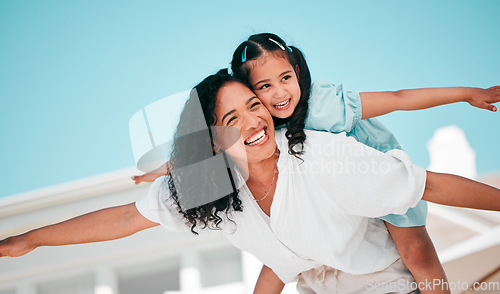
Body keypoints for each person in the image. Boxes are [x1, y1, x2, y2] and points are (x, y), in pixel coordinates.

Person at [2, 70, 500, 294]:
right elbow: (125, 219)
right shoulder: (212, 189)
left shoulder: (318, 154)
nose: (253, 121)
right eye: (232, 116)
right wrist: (30, 239)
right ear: (213, 137)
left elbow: (428, 185)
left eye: (254, 106)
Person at [132, 33, 500, 293]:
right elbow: (213, 144)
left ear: (297, 71)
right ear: (249, 93)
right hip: (328, 200)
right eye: (263, 88)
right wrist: (168, 169)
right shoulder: (259, 125)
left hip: (375, 173)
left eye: (286, 78)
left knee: (416, 251)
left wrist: (467, 93)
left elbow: (398, 98)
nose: (279, 94)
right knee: (284, 248)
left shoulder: (323, 104)